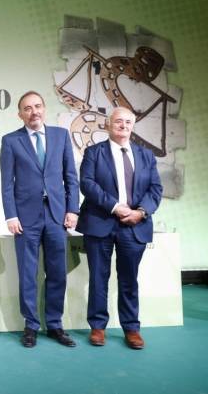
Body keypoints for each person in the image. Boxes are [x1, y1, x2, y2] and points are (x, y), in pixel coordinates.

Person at [77, 107, 162, 349]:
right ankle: (97, 327)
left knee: (129, 279)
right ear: (108, 124)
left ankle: (132, 329)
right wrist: (115, 207)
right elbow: (87, 184)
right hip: (99, 223)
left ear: (132, 126)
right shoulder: (94, 152)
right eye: (118, 121)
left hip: (134, 225)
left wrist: (140, 212)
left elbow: (155, 189)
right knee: (98, 278)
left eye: (128, 122)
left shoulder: (146, 155)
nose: (123, 125)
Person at [0, 91, 79, 348]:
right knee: (28, 273)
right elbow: (6, 183)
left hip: (56, 215)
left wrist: (73, 209)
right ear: (20, 114)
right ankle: (31, 325)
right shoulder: (10, 141)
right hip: (25, 217)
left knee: (57, 271)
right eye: (27, 108)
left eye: (37, 106)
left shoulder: (61, 135)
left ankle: (54, 324)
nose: (34, 112)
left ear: (44, 108)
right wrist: (11, 215)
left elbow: (71, 176)